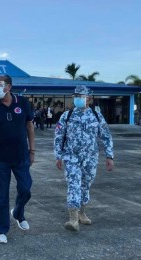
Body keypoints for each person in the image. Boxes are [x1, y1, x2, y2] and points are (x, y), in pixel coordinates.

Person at [0, 74, 35, 244]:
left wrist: (32, 150)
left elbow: (29, 126)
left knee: (26, 188)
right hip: (0, 159)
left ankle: (18, 213)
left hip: (21, 157)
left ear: (9, 87)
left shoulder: (23, 102)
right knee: (1, 196)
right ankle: (2, 229)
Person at [54, 85, 114, 232]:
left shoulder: (96, 115)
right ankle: (73, 219)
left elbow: (105, 136)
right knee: (74, 184)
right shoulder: (66, 116)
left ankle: (82, 212)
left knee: (86, 185)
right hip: (71, 157)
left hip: (90, 158)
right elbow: (58, 137)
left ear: (89, 99)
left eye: (81, 96)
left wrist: (109, 156)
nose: (77, 99)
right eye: (75, 96)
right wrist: (58, 155)